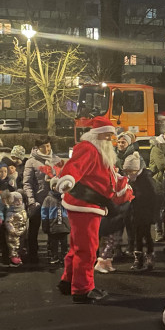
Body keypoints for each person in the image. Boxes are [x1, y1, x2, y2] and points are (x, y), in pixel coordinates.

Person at [55, 116, 133, 303]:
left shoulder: (99, 151)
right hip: (85, 206)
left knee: (77, 246)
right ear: (97, 135)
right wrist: (67, 179)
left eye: (110, 137)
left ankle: (68, 281)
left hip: (88, 205)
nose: (109, 140)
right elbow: (74, 167)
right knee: (87, 249)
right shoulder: (89, 148)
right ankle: (82, 289)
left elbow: (107, 176)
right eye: (107, 136)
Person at [22, 136, 61, 265]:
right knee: (34, 228)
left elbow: (61, 178)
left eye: (48, 146)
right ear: (37, 148)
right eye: (43, 146)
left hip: (53, 201)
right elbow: (27, 183)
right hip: (38, 201)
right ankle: (33, 253)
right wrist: (31, 200)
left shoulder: (56, 160)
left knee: (52, 229)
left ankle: (52, 253)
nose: (46, 149)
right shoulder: (31, 162)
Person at [123, 152, 161, 270]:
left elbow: (155, 197)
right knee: (137, 236)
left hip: (145, 213)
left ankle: (148, 257)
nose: (129, 174)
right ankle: (139, 259)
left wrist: (154, 215)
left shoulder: (147, 180)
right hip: (135, 213)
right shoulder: (131, 180)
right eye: (127, 171)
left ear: (137, 169)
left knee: (145, 235)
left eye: (131, 171)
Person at [41, 181, 71, 266]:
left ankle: (64, 255)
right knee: (53, 242)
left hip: (64, 224)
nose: (56, 187)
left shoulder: (65, 197)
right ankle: (54, 256)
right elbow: (44, 211)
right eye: (54, 185)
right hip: (53, 224)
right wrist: (45, 222)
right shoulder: (48, 199)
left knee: (64, 242)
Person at [3, 191, 27, 267]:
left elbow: (25, 219)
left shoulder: (22, 210)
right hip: (13, 233)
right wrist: (11, 229)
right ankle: (13, 258)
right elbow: (8, 222)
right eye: (16, 201)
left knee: (20, 245)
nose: (19, 202)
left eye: (20, 200)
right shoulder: (10, 212)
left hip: (22, 231)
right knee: (13, 245)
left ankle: (18, 256)